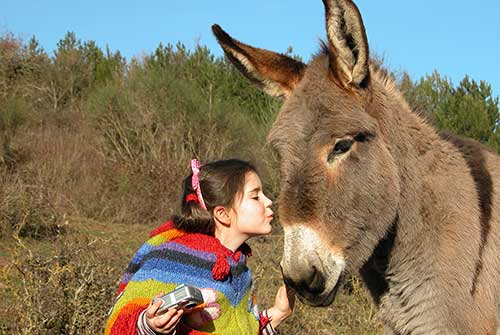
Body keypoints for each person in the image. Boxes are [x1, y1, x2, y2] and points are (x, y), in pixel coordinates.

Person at [105, 158, 295, 335]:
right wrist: (150, 326)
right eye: (256, 197)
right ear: (223, 214)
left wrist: (279, 312)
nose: (269, 201)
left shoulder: (240, 270)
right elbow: (121, 324)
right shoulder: (172, 258)